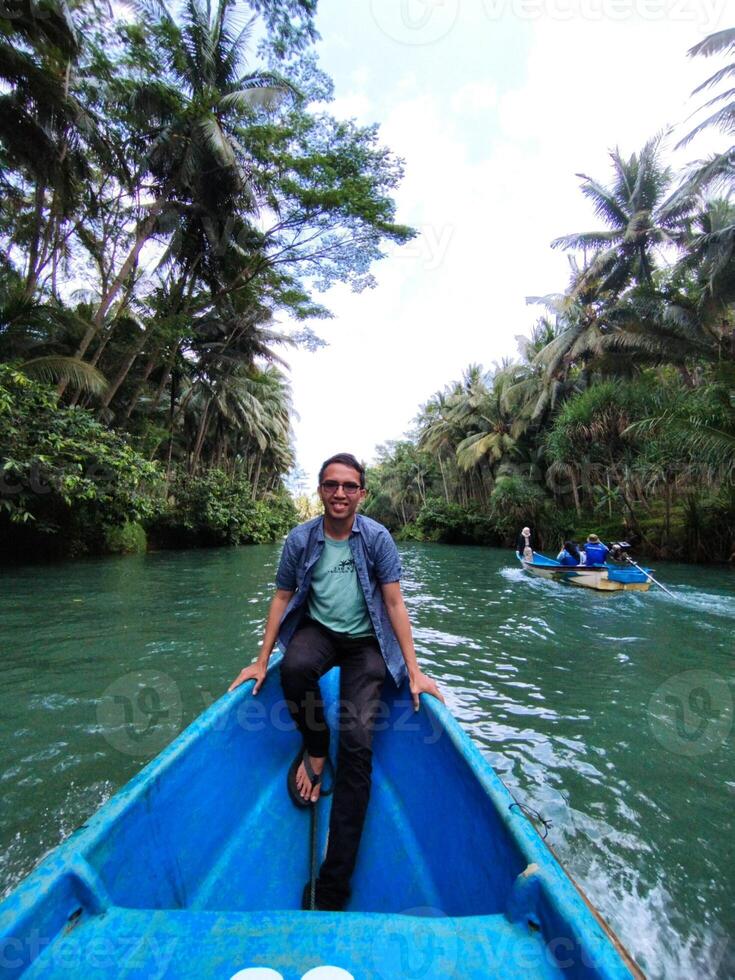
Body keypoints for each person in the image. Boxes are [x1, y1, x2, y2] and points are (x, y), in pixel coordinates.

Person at [228, 452, 444, 912]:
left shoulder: (378, 538)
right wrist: (259, 660)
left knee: (359, 746)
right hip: (321, 630)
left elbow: (394, 604)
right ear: (321, 490)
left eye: (349, 486)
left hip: (367, 643)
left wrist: (415, 671)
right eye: (331, 485)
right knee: (294, 669)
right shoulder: (301, 539)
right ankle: (316, 746)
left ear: (361, 493)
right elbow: (283, 597)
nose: (340, 493)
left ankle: (332, 888)